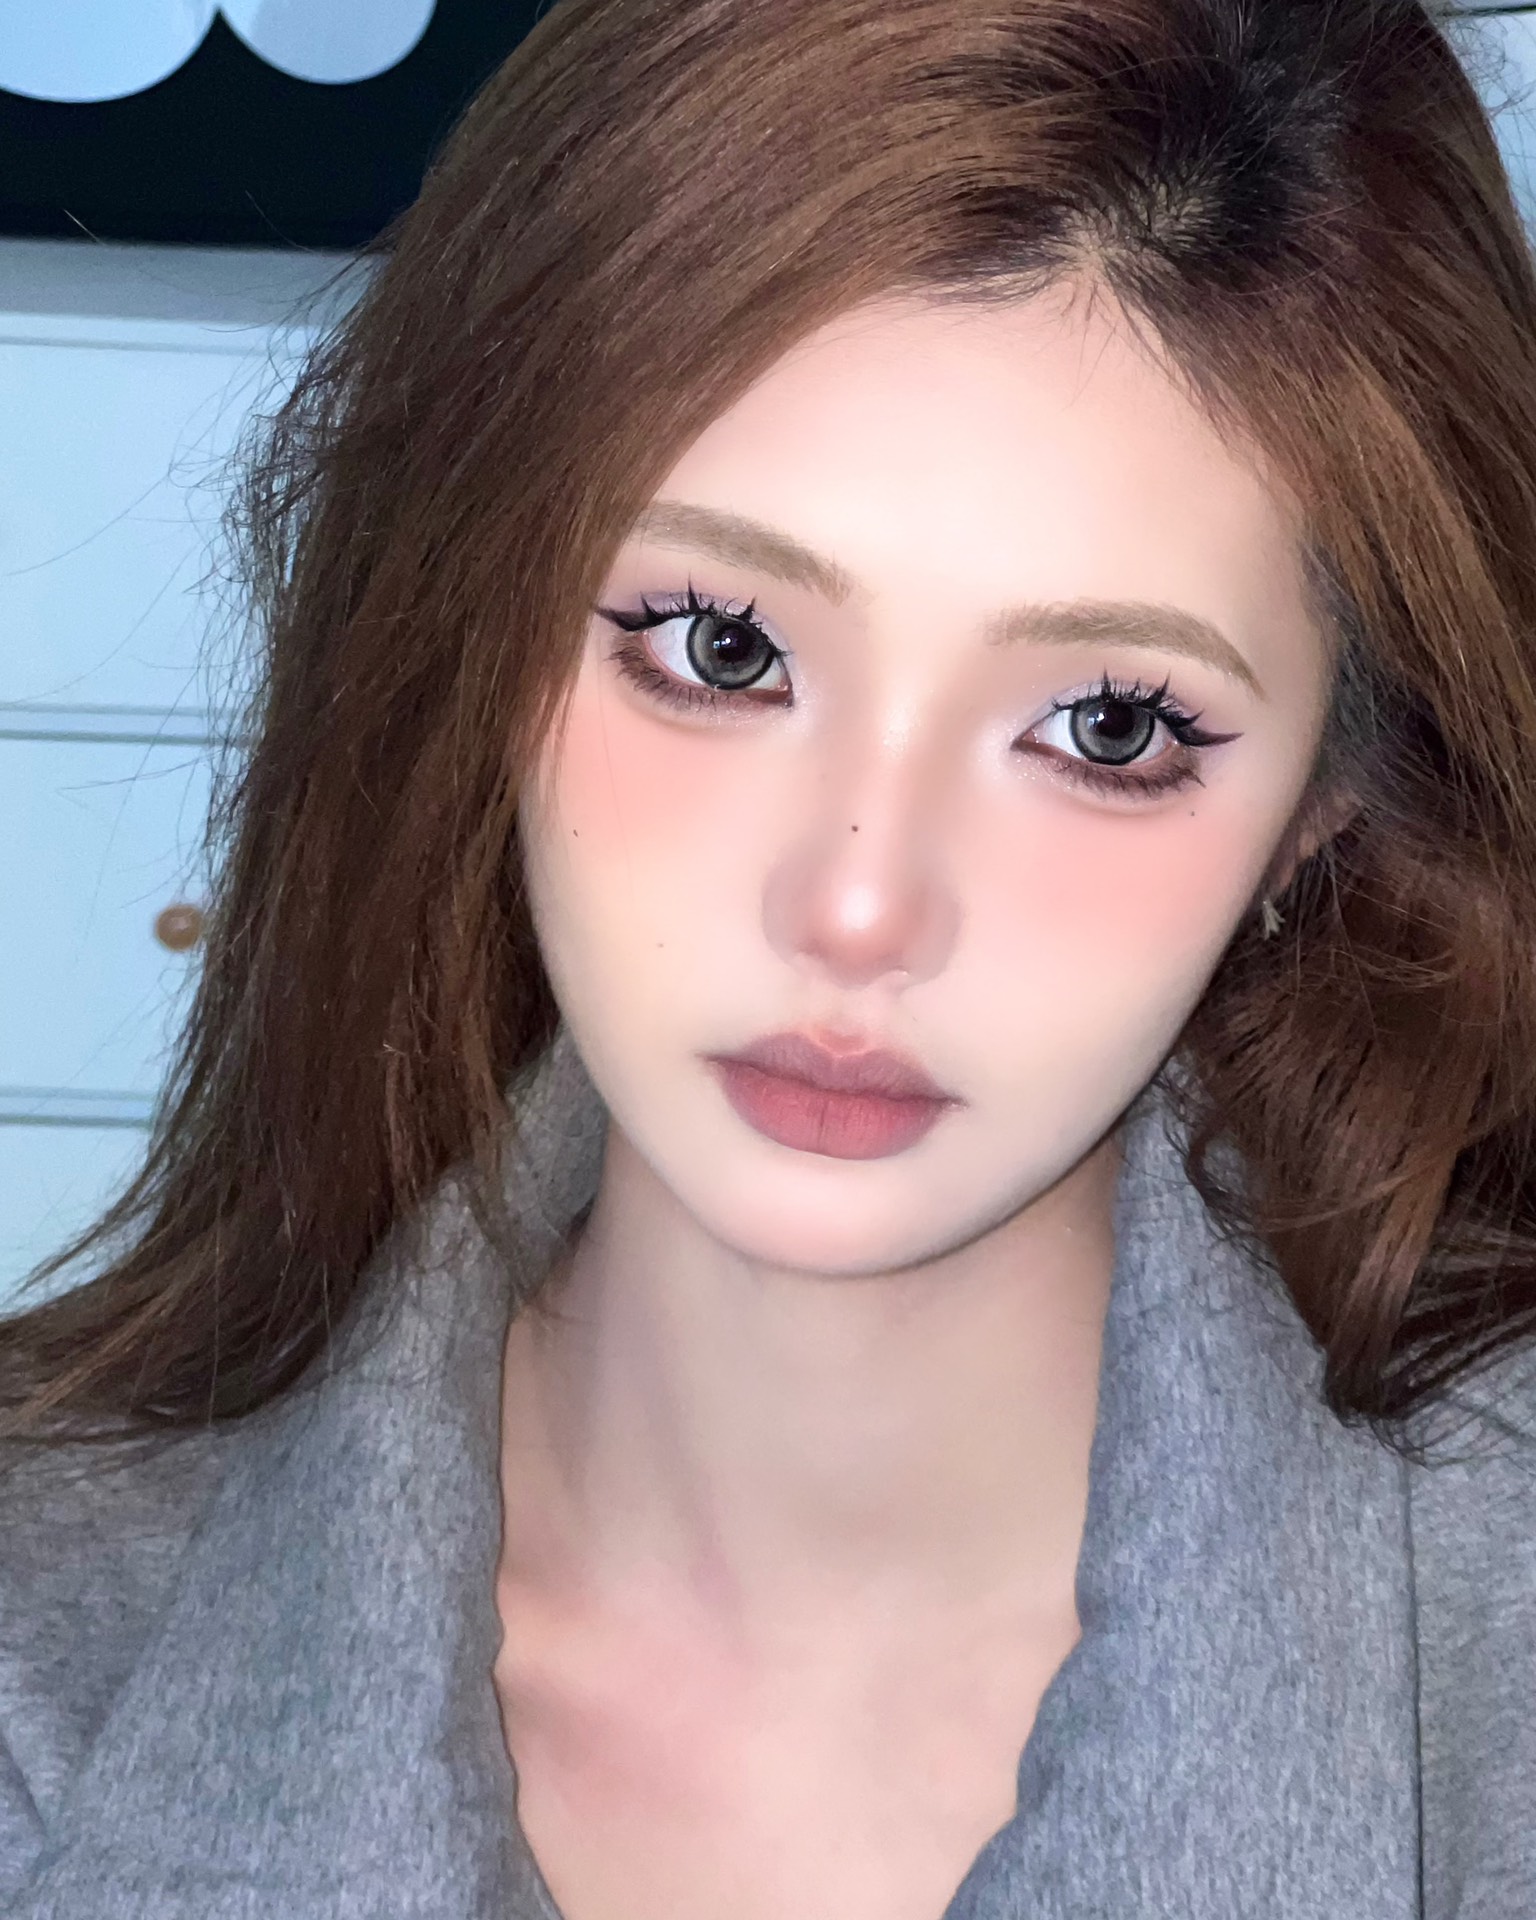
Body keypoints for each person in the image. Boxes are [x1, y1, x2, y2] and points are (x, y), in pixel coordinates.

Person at [4, 1, 1536, 1915]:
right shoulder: (42, 1673)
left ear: (1323, 804)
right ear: (474, 628)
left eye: (1110, 727)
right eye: (722, 650)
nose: (860, 909)